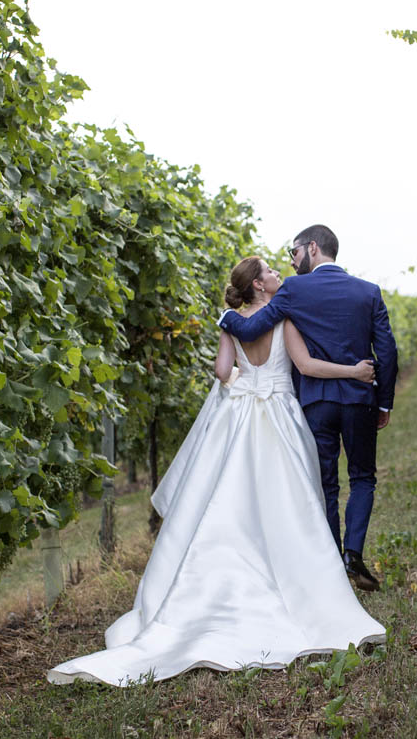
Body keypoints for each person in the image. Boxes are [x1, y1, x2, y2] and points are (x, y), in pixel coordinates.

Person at [47, 256, 386, 687]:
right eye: (272, 273)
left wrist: (244, 381)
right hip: (282, 418)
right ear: (260, 286)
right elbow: (305, 368)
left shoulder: (231, 322)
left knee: (229, 503)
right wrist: (353, 371)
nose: (279, 277)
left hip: (241, 418)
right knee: (291, 503)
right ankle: (302, 585)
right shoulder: (284, 320)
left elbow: (223, 372)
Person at [218, 225, 398, 592]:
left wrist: (226, 320)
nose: (290, 261)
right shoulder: (369, 292)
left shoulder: (293, 290)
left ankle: (332, 560)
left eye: (294, 252)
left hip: (316, 402)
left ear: (312, 248)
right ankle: (353, 554)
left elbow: (253, 329)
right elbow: (388, 351)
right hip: (361, 397)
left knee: (326, 483)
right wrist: (384, 401)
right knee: (363, 477)